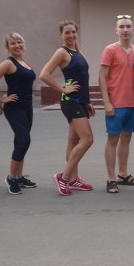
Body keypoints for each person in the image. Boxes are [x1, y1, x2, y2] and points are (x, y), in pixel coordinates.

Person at [39, 20, 95, 196]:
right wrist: (63, 89)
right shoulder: (62, 52)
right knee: (87, 139)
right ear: (61, 35)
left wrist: (87, 102)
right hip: (70, 101)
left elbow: (82, 78)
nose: (71, 35)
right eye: (67, 32)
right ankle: (63, 177)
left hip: (80, 101)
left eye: (73, 32)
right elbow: (44, 74)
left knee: (74, 140)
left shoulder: (77, 51)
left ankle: (73, 179)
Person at [0, 33, 37, 195]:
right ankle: (11, 178)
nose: (17, 45)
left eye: (19, 42)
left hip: (27, 107)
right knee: (24, 140)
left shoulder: (24, 62)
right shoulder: (8, 63)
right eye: (12, 43)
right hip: (14, 108)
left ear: (23, 44)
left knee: (20, 141)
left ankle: (19, 176)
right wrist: (1, 98)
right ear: (8, 47)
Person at [99, 15, 134, 193]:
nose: (125, 30)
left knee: (126, 139)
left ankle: (123, 174)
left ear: (132, 30)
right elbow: (102, 77)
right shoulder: (110, 50)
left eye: (128, 27)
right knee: (112, 139)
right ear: (116, 30)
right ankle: (111, 178)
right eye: (122, 27)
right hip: (116, 103)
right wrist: (106, 102)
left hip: (132, 103)